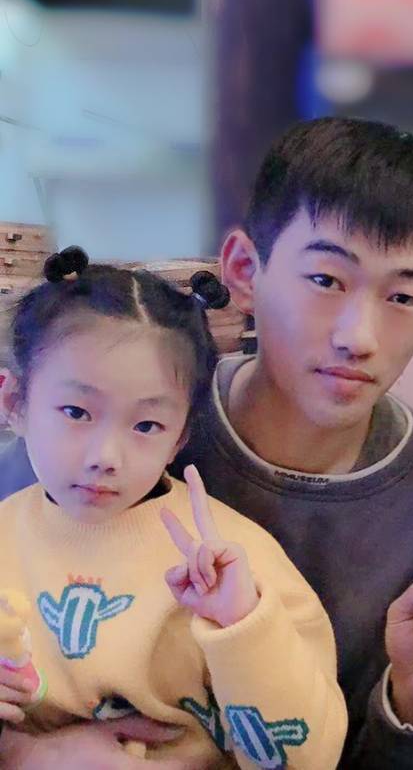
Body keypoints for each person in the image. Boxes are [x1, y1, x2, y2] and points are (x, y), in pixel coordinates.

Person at [0, 117, 413, 769]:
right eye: (326, 280)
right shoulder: (107, 426)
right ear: (245, 270)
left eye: (401, 296)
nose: (358, 336)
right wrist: (27, 752)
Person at [0, 247, 347, 768]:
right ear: (14, 404)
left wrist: (242, 624)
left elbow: (308, 759)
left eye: (146, 425)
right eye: (76, 411)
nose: (106, 457)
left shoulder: (236, 560)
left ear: (180, 437)